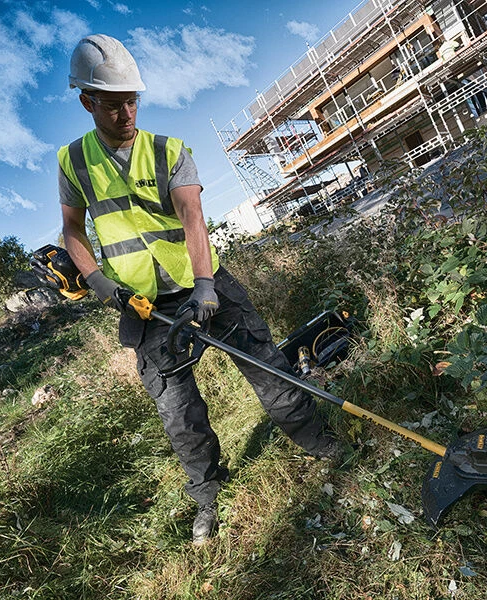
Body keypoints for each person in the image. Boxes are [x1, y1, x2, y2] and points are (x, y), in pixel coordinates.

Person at [57, 34, 342, 546]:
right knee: (178, 411)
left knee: (267, 367)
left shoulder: (168, 151)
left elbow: (192, 217)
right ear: (87, 102)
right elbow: (73, 231)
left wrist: (206, 285)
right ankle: (208, 496)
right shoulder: (74, 162)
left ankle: (318, 441)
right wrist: (99, 282)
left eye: (132, 100)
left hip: (203, 285)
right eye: (113, 104)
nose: (126, 113)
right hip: (144, 307)